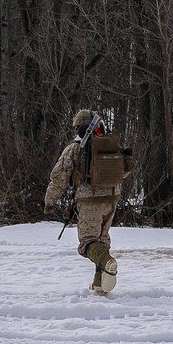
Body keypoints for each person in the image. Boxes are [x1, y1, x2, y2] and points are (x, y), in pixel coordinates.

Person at [44, 110, 122, 294]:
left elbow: (59, 177)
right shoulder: (109, 146)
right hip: (112, 199)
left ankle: (107, 262)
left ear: (78, 127)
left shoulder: (75, 148)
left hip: (89, 200)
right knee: (101, 239)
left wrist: (50, 201)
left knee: (87, 242)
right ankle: (99, 284)